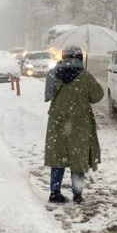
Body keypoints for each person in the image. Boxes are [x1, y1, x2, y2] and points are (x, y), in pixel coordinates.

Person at [44, 47, 103, 204]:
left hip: (57, 122)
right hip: (80, 124)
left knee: (58, 158)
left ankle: (55, 192)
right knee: (79, 160)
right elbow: (97, 96)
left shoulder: (53, 74)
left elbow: (48, 95)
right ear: (80, 58)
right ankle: (77, 194)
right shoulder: (85, 77)